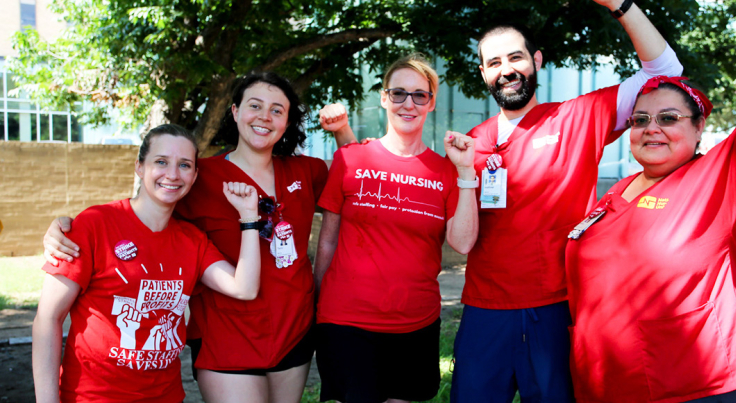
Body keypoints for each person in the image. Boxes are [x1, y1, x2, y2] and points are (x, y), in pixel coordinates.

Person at [41, 73, 358, 403]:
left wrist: (341, 132)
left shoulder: (307, 171)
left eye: (277, 109)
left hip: (294, 330)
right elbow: (141, 214)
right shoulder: (199, 176)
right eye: (255, 106)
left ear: (288, 120)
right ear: (235, 112)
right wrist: (62, 228)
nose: (265, 116)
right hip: (225, 335)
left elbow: (358, 184)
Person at [565, 0, 736, 401]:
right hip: (604, 383)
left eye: (669, 118)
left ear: (699, 128)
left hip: (687, 385)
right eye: (640, 120)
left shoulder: (720, 178)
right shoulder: (616, 191)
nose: (651, 128)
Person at [448, 1, 684, 401]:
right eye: (494, 62)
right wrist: (467, 173)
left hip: (559, 308)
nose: (506, 69)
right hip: (486, 310)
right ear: (484, 73)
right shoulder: (471, 141)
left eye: (516, 57)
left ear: (536, 60)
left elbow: (665, 72)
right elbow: (461, 242)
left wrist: (621, 5)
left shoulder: (579, 117)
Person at [32, 124, 262, 403]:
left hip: (165, 396)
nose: (173, 174)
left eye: (185, 165)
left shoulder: (192, 240)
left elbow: (244, 288)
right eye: (161, 162)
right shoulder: (94, 225)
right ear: (139, 167)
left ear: (195, 175)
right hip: (93, 396)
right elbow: (47, 318)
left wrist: (249, 217)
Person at [312, 55, 478, 403]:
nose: (409, 103)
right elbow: (327, 242)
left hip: (415, 321)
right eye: (399, 93)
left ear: (431, 103)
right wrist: (316, 304)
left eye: (420, 95)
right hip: (347, 320)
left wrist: (465, 173)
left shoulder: (445, 171)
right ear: (384, 98)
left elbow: (462, 244)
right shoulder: (350, 158)